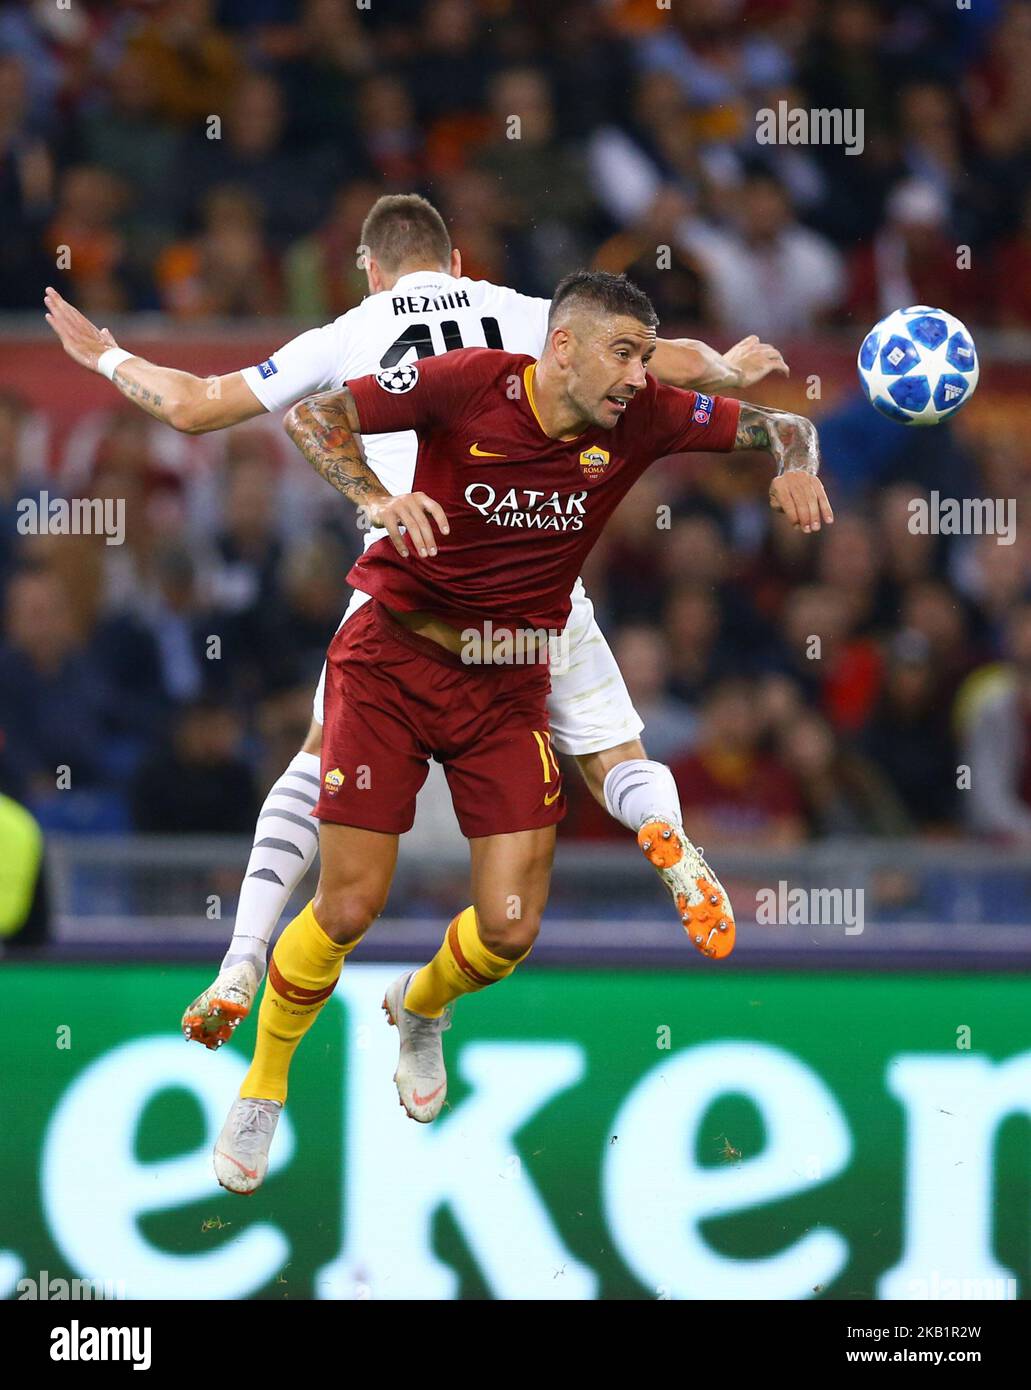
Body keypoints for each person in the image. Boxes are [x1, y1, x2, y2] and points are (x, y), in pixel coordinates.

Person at [43, 192, 789, 1047]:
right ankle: (662, 836)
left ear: (370, 269)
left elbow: (193, 406)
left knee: (321, 764)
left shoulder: (345, 334)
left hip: (410, 582)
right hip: (536, 581)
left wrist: (106, 358)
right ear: (458, 261)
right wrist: (726, 368)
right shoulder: (524, 315)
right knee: (614, 755)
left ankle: (243, 955)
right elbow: (650, 361)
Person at [208, 269, 831, 1192]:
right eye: (621, 353)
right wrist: (373, 501)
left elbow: (785, 423)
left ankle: (419, 1009)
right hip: (392, 660)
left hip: (507, 679)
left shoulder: (645, 414)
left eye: (644, 357)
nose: (636, 375)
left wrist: (794, 465)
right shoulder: (469, 382)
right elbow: (313, 417)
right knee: (346, 907)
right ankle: (263, 1083)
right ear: (564, 346)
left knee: (507, 928)